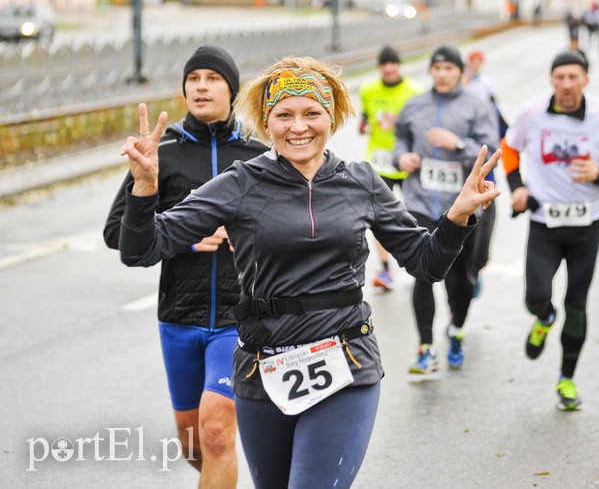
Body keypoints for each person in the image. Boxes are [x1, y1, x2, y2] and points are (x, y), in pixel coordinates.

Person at [116, 56, 501, 488]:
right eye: (284, 115)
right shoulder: (240, 182)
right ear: (267, 122)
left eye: (311, 113)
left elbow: (426, 263)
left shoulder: (363, 183)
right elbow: (142, 248)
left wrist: (456, 218)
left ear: (331, 118)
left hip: (345, 360)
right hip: (263, 368)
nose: (298, 127)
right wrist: (145, 188)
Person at [103, 45, 269, 487]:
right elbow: (117, 233)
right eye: (193, 78)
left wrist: (249, 234)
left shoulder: (258, 155)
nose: (201, 86)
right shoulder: (165, 151)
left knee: (216, 429)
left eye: (213, 78)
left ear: (232, 90)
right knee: (194, 442)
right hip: (179, 315)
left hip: (241, 318)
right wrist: (183, 238)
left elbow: (290, 226)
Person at [501, 50, 599, 411]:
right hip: (544, 223)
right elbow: (509, 148)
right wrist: (518, 187)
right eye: (560, 77)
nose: (566, 84)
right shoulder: (532, 113)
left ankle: (566, 379)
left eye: (574, 77)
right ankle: (544, 318)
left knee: (577, 304)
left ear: (586, 80)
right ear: (552, 80)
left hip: (587, 226)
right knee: (535, 297)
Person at [393, 45, 500, 373]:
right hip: (421, 202)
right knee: (421, 274)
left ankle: (456, 327)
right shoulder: (414, 105)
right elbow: (399, 139)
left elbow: (492, 149)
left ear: (460, 72)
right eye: (437, 69)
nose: (442, 75)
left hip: (462, 205)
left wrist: (458, 144)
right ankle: (425, 348)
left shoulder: (477, 106)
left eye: (449, 69)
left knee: (460, 277)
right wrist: (402, 157)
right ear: (430, 72)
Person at [359, 45, 423, 291]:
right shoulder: (367, 89)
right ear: (379, 67)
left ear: (399, 66)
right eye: (384, 64)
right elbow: (365, 118)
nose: (388, 68)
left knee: (414, 215)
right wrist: (364, 125)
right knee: (379, 218)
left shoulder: (414, 92)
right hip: (378, 163)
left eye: (393, 63)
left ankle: (418, 258)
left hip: (407, 163)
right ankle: (385, 270)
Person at [463, 49, 508, 298]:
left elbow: (500, 123)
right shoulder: (458, 86)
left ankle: (477, 267)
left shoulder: (486, 87)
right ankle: (462, 276)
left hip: (485, 166)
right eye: (473, 61)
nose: (476, 65)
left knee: (484, 229)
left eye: (480, 61)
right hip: (461, 168)